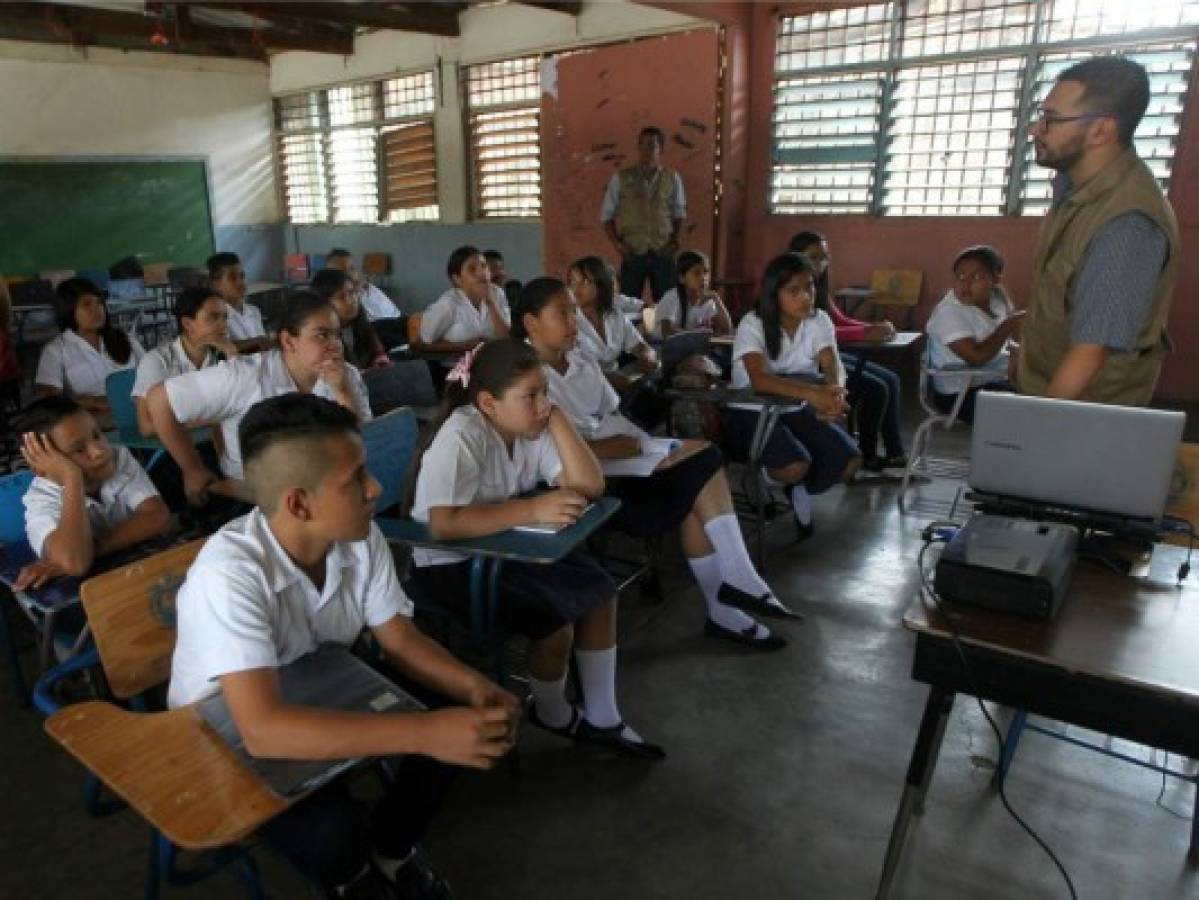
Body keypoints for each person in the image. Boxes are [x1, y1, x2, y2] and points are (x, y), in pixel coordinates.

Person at [169, 393, 519, 898]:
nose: (374, 488)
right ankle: (353, 878)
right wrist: (421, 733)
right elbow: (263, 731)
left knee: (457, 712)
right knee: (335, 835)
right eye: (354, 478)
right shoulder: (229, 575)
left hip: (317, 685)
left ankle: (392, 853)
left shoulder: (358, 535)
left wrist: (475, 686)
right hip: (223, 729)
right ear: (298, 503)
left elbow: (398, 640)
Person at [407, 338, 663, 759]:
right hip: (454, 565)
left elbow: (589, 484)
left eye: (546, 391)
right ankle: (554, 711)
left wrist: (557, 415)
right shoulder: (463, 434)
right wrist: (530, 508)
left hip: (510, 548)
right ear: (489, 403)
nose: (543, 403)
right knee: (555, 620)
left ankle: (603, 716)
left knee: (600, 591)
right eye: (532, 395)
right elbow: (443, 523)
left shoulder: (531, 425)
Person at [514, 276, 798, 648]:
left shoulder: (581, 359)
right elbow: (534, 450)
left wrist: (650, 447)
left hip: (628, 467)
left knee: (702, 462)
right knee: (698, 482)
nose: (574, 322)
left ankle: (731, 593)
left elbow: (613, 415)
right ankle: (731, 593)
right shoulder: (521, 378)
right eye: (562, 314)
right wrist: (607, 448)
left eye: (574, 312)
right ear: (531, 323)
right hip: (587, 492)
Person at [1017, 55, 1180, 406]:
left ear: (1101, 130)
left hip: (1081, 412)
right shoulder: (1073, 184)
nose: (1035, 129)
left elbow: (1091, 353)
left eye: (1052, 119)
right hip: (1045, 389)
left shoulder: (1127, 225)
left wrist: (1037, 427)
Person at [145, 290, 371, 507]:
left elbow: (361, 446)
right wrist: (192, 469)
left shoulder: (345, 375)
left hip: (322, 486)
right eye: (322, 335)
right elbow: (158, 400)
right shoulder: (245, 376)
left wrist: (342, 391)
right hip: (253, 495)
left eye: (337, 335)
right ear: (288, 341)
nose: (335, 345)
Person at [724, 253, 861, 540]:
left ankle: (797, 487)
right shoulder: (754, 323)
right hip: (751, 410)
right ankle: (759, 476)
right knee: (795, 464)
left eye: (809, 287)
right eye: (793, 291)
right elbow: (759, 380)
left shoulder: (819, 319)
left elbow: (831, 363)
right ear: (774, 294)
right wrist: (814, 394)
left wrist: (835, 395)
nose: (805, 297)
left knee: (848, 462)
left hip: (793, 408)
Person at [14, 395, 168, 592]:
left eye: (97, 434)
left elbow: (157, 516)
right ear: (42, 468)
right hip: (88, 594)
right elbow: (76, 564)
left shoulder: (118, 457)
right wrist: (72, 478)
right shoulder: (40, 501)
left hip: (139, 572)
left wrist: (93, 549)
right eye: (79, 450)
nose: (99, 451)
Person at [788, 232, 906, 471]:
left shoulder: (817, 286)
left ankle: (895, 452)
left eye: (824, 257)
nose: (820, 263)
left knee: (891, 379)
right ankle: (867, 455)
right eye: (813, 257)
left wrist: (875, 328)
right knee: (877, 389)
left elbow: (836, 320)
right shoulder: (790, 287)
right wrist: (866, 333)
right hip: (809, 361)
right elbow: (814, 330)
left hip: (829, 355)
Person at [926, 245, 1024, 423]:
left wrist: (1016, 354)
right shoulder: (949, 312)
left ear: (996, 279)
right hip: (959, 393)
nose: (966, 283)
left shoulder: (997, 301)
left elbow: (1012, 341)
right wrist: (1008, 326)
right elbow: (976, 358)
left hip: (991, 380)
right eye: (960, 276)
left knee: (1043, 392)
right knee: (1031, 411)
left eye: (977, 277)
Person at [34, 277, 145, 426]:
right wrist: (92, 402)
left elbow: (152, 376)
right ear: (69, 310)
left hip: (138, 413)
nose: (97, 310)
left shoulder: (126, 339)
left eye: (99, 303)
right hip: (94, 423)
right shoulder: (56, 350)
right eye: (86, 304)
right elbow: (48, 398)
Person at [131, 285, 238, 437]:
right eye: (214, 317)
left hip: (219, 438)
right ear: (187, 323)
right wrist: (211, 420)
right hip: (177, 447)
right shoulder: (156, 361)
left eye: (225, 317)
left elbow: (243, 403)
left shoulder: (222, 356)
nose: (224, 325)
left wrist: (232, 354)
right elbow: (147, 427)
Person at [601, 125, 686, 301]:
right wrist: (618, 244)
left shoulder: (672, 177)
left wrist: (674, 241)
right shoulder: (621, 178)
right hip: (632, 251)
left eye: (651, 145)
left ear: (660, 149)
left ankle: (662, 330)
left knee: (666, 303)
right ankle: (630, 329)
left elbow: (679, 212)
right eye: (641, 145)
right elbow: (606, 215)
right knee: (629, 302)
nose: (645, 150)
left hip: (662, 250)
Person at [566, 255, 658, 393]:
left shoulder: (615, 315)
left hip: (618, 382)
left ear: (602, 283)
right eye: (572, 282)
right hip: (585, 389)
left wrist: (648, 356)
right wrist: (610, 380)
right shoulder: (568, 322)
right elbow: (572, 370)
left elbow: (639, 346)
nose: (576, 288)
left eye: (585, 281)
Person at [418, 246, 510, 352]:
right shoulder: (448, 303)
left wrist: (490, 302)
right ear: (457, 279)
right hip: (454, 365)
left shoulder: (497, 293)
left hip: (491, 363)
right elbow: (423, 343)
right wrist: (464, 346)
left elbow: (506, 337)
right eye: (472, 269)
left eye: (484, 266)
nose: (481, 273)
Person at [325, 248, 407, 349]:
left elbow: (396, 315)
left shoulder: (370, 289)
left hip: (397, 332)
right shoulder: (329, 297)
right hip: (371, 338)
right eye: (340, 272)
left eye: (351, 268)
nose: (348, 275)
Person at [653, 250, 732, 339]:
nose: (703, 278)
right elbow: (667, 331)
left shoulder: (707, 299)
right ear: (681, 278)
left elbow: (727, 330)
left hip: (693, 348)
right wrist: (698, 337)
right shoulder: (671, 298)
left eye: (706, 272)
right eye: (696, 273)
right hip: (663, 348)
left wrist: (716, 298)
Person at [207, 252, 271, 354]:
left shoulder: (253, 311)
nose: (240, 282)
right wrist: (257, 341)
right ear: (216, 285)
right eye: (232, 278)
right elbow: (221, 347)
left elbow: (264, 346)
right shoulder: (215, 316)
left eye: (242, 276)